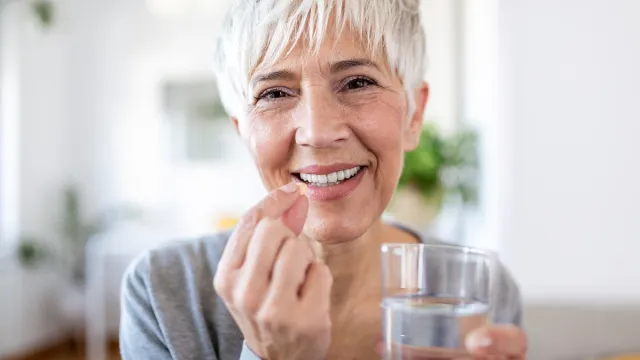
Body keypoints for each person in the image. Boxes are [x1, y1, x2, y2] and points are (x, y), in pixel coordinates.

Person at [119, 0, 528, 359]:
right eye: (275, 94)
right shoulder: (163, 291)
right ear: (243, 131)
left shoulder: (479, 290)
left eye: (358, 82)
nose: (316, 131)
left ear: (413, 115)